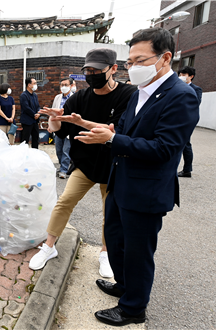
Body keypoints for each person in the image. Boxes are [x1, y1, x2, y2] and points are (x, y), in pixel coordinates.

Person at [75, 27, 199, 326]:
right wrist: (96, 129)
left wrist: (110, 140)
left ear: (165, 58)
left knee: (138, 251)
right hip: (122, 181)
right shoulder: (140, 93)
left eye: (140, 60)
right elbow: (122, 130)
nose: (132, 67)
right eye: (130, 61)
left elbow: (164, 148)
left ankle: (133, 308)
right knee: (116, 240)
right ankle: (123, 285)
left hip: (146, 192)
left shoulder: (181, 96)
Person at [29, 48, 137, 280]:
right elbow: (58, 131)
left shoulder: (128, 94)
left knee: (111, 213)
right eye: (87, 70)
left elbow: (113, 131)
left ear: (113, 69)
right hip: (85, 164)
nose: (91, 74)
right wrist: (55, 119)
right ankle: (49, 246)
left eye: (96, 70)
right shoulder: (79, 98)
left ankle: (106, 253)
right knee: (65, 201)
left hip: (114, 166)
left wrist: (81, 121)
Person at [178, 66, 202, 178]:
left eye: (184, 75)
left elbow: (194, 104)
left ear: (191, 76)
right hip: (176, 118)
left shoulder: (196, 89)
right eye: (180, 74)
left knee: (185, 143)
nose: (181, 77)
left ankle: (187, 170)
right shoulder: (176, 87)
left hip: (187, 119)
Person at [51, 77, 74, 178]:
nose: (64, 87)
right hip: (58, 126)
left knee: (66, 149)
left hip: (69, 127)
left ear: (71, 86)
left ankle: (64, 170)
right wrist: (50, 126)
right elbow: (52, 112)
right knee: (58, 149)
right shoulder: (57, 98)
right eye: (62, 85)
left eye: (66, 85)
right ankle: (62, 167)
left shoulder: (75, 97)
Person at [20, 77, 41, 149]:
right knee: (25, 140)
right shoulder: (24, 95)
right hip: (27, 121)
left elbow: (38, 106)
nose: (36, 85)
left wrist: (38, 113)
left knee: (36, 139)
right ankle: (23, 155)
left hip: (35, 121)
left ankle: (35, 154)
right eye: (34, 83)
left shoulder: (35, 95)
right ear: (29, 85)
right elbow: (26, 108)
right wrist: (34, 114)